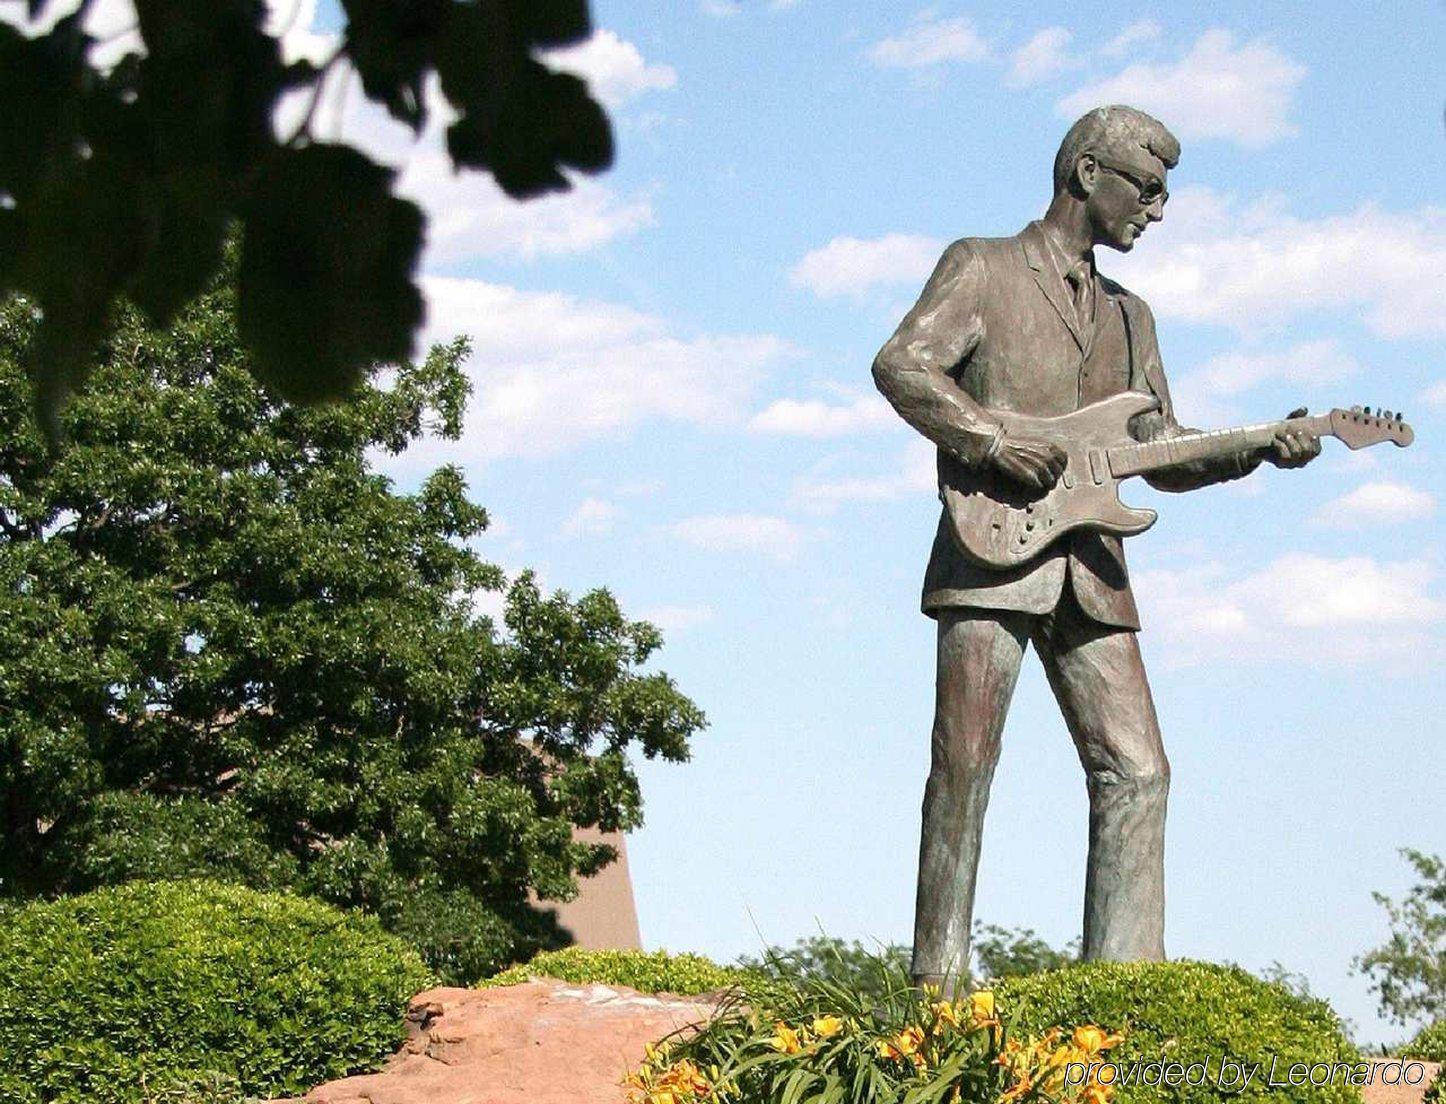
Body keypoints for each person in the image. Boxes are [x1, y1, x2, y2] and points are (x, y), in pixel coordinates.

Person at [871, 105, 1320, 992]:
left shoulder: (1131, 316)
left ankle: (1121, 1003)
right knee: (963, 767)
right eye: (1146, 190)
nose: (1157, 211)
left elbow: (1164, 452)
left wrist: (1266, 445)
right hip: (990, 549)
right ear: (1087, 175)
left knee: (1139, 772)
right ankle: (936, 994)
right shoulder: (983, 266)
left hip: (1094, 571)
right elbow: (902, 364)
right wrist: (991, 442)